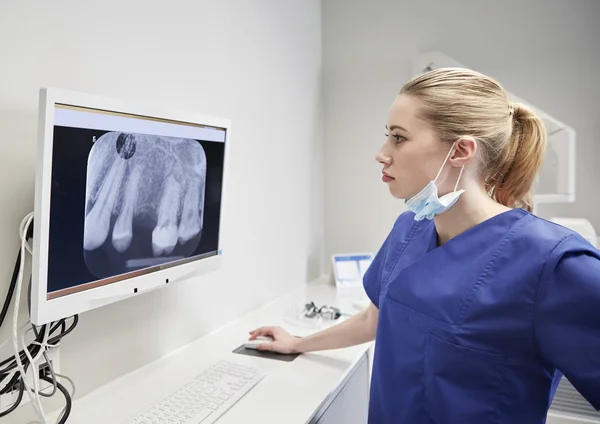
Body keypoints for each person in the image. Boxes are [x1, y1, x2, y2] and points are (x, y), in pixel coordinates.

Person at [248, 68, 600, 423]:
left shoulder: (553, 263)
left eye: (399, 138)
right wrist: (298, 343)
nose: (382, 154)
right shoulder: (410, 227)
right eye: (387, 136)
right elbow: (378, 317)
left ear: (461, 150)